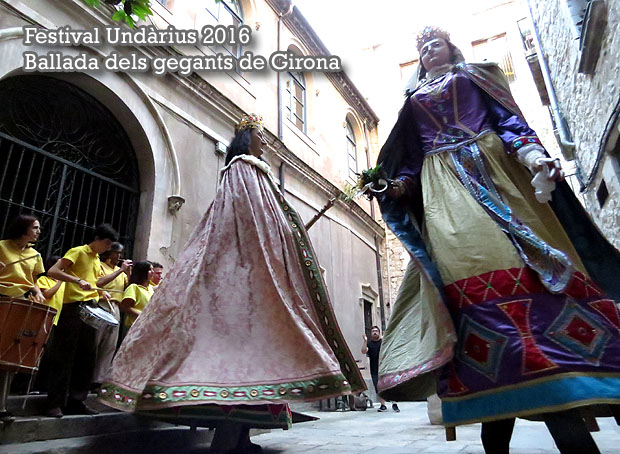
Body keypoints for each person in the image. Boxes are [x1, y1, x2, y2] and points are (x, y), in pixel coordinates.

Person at [374, 26, 620, 454]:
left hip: (495, 169)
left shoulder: (477, 75)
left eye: (435, 44)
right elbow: (410, 158)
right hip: (443, 189)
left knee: (534, 261)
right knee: (466, 271)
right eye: (422, 48)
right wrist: (396, 186)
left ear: (452, 47)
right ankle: (494, 368)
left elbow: (508, 123)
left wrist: (533, 156)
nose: (428, 51)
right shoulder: (412, 101)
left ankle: (561, 362)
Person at [99, 114, 365, 454]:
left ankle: (241, 438)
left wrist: (283, 233)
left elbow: (263, 217)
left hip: (253, 278)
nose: (265, 141)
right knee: (237, 361)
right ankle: (226, 442)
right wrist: (274, 239)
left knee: (255, 362)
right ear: (246, 137)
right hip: (242, 279)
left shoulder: (255, 170)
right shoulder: (241, 168)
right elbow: (245, 217)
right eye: (260, 135)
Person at [45, 224, 119, 418]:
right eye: (106, 243)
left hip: (91, 308)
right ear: (97, 238)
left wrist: (103, 289)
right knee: (64, 356)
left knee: (86, 357)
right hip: (73, 308)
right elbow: (53, 271)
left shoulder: (96, 259)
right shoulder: (77, 252)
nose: (108, 248)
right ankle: (54, 403)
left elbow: (97, 283)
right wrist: (77, 281)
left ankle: (76, 400)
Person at [92, 242, 131, 387]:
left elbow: (129, 288)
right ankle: (87, 376)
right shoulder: (101, 266)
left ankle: (99, 379)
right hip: (101, 305)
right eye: (117, 253)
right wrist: (120, 271)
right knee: (96, 341)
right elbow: (98, 282)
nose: (119, 256)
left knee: (110, 345)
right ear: (109, 253)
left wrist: (128, 273)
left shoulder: (121, 272)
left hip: (115, 307)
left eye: (121, 253)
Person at [0, 214, 46, 304]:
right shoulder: (1, 246)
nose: (39, 232)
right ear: (23, 228)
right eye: (35, 228)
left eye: (39, 228)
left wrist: (38, 292)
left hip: (18, 298)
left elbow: (33, 280)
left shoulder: (36, 255)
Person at [361, 326, 399, 412]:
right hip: (374, 369)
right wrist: (365, 341)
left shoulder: (383, 342)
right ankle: (383, 405)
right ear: (371, 334)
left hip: (386, 368)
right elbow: (363, 351)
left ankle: (394, 404)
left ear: (379, 333)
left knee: (391, 386)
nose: (374, 332)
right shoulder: (369, 343)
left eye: (376, 331)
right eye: (373, 331)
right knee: (378, 388)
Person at [120, 261, 153, 329]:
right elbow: (125, 307)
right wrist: (142, 314)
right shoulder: (133, 287)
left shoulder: (150, 289)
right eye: (149, 270)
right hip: (134, 326)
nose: (152, 272)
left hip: (146, 326)